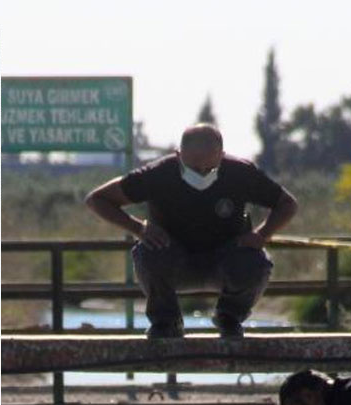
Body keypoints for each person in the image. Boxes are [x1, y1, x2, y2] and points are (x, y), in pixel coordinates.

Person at [85, 124, 298, 339]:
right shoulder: (158, 173)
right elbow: (97, 199)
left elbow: (287, 203)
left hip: (226, 260)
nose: (202, 173)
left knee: (256, 262)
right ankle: (166, 322)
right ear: (179, 155)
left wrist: (262, 235)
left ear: (221, 156)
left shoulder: (240, 172)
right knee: (147, 253)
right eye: (194, 168)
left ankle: (229, 316)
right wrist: (138, 228)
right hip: (173, 259)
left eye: (209, 168)